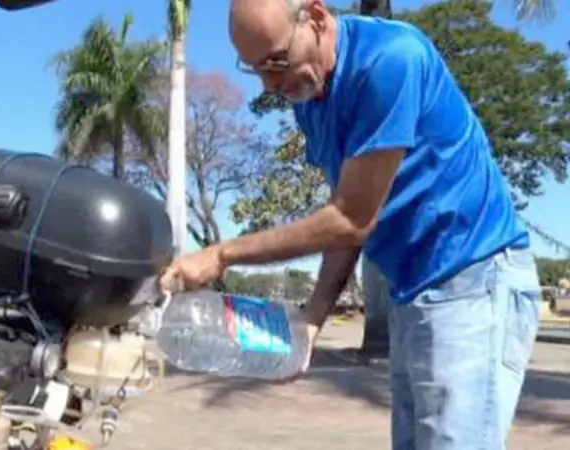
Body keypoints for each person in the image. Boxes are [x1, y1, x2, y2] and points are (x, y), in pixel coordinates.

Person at [158, 1, 542, 449]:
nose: (270, 84)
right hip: (413, 289)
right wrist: (313, 318)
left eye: (277, 62)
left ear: (317, 18)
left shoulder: (391, 59)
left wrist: (221, 254)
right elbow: (342, 216)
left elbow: (350, 220)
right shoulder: (311, 98)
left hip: (474, 278)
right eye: (256, 70)